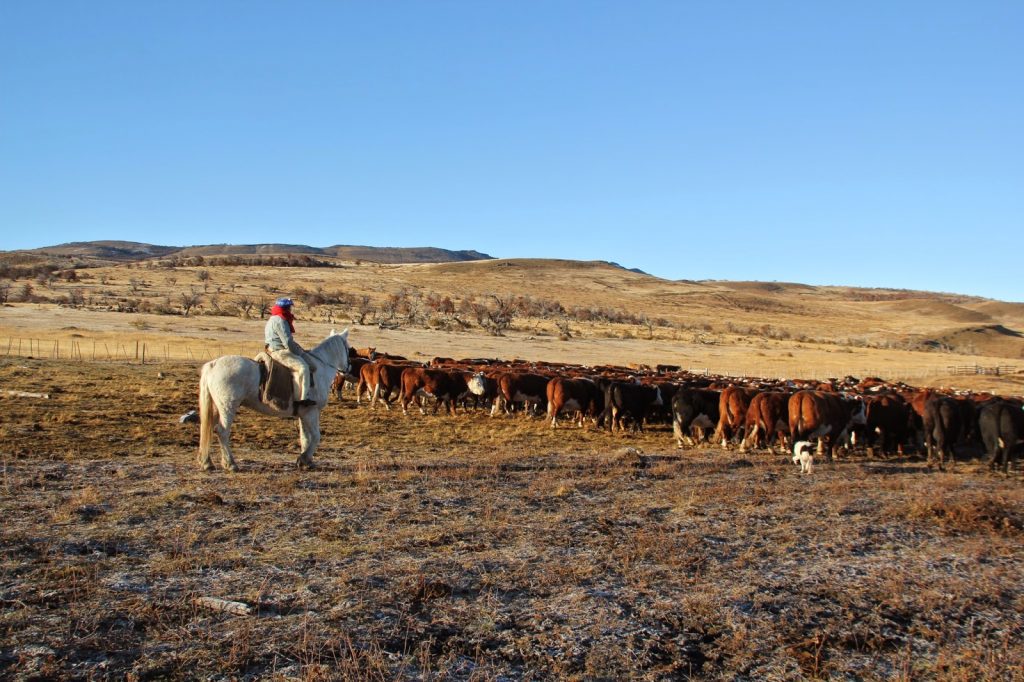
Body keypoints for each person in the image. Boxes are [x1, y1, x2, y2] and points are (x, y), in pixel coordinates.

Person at [265, 297, 317, 407]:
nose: (290, 310)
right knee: (304, 368)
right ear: (285, 308)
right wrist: (298, 352)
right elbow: (287, 342)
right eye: (289, 307)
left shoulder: (272, 319)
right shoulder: (280, 320)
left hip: (272, 348)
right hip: (280, 351)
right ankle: (302, 398)